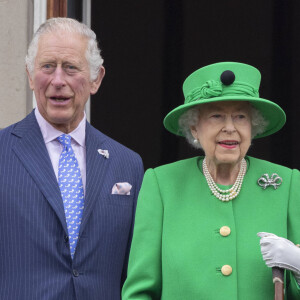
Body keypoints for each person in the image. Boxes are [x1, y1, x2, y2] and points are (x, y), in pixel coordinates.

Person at [122, 62, 300, 299]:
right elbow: (140, 292)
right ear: (194, 127)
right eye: (217, 116)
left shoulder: (287, 183)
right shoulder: (161, 184)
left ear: (253, 126)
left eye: (240, 116)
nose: (230, 128)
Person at [0, 18, 143, 300]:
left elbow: (135, 269)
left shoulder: (127, 164)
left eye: (70, 67)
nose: (58, 81)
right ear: (30, 75)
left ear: (95, 79)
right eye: (47, 66)